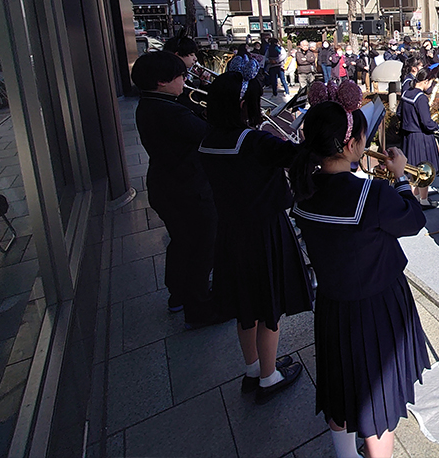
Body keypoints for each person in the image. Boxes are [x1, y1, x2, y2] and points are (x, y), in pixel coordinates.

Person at [291, 95, 429, 458]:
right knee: (378, 404)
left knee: (339, 384)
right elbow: (414, 221)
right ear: (350, 145)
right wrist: (401, 179)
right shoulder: (372, 192)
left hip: (333, 305)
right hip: (377, 306)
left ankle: (345, 453)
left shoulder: (303, 188)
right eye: (364, 141)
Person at [199, 72, 312, 403]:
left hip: (230, 232)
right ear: (240, 105)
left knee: (245, 307)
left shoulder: (208, 140)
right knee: (268, 307)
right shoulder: (253, 141)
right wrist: (301, 135)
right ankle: (268, 377)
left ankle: (253, 369)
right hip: (264, 231)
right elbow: (299, 158)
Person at [131, 52, 219, 328]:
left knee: (182, 242)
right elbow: (209, 134)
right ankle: (200, 307)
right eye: (180, 76)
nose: (184, 80)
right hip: (187, 189)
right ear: (161, 81)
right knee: (202, 244)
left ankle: (178, 295)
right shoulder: (171, 111)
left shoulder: (152, 103)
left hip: (167, 185)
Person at [398, 69, 439, 206]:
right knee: (423, 170)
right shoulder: (420, 97)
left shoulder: (406, 93)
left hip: (408, 136)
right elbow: (427, 122)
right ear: (425, 81)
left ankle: (414, 198)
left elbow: (399, 113)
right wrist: (438, 127)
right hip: (421, 137)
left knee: (411, 169)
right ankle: (423, 200)